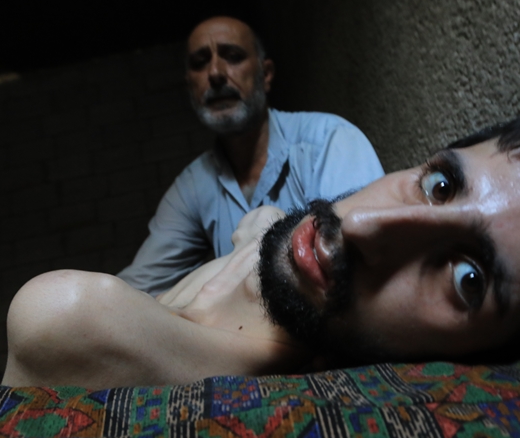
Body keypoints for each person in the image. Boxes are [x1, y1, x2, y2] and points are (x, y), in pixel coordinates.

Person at [2, 115, 520, 390]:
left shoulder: (79, 318)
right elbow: (255, 228)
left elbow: (61, 319)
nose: (362, 228)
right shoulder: (267, 235)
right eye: (440, 184)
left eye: (468, 279)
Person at [117, 16, 385, 297]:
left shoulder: (327, 142)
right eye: (200, 63)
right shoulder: (192, 187)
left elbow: (362, 266)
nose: (216, 73)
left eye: (233, 57)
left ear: (265, 74)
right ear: (190, 87)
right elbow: (137, 288)